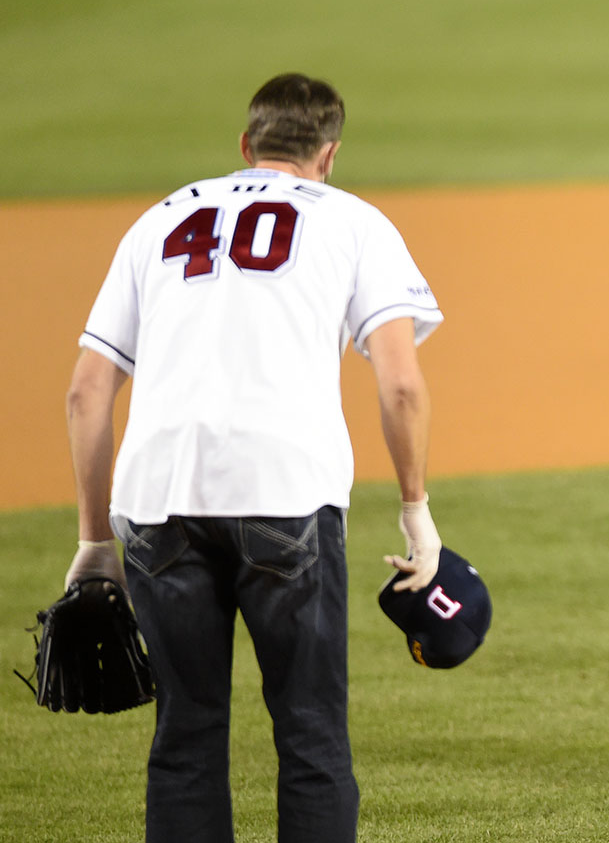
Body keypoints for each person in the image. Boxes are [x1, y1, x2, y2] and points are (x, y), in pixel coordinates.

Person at [63, 73, 446, 843]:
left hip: (156, 501)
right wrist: (416, 510)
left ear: (246, 146)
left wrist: (93, 542)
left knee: (185, 739)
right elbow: (401, 385)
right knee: (310, 735)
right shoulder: (355, 221)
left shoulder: (159, 220)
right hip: (286, 492)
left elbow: (85, 392)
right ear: (329, 154)